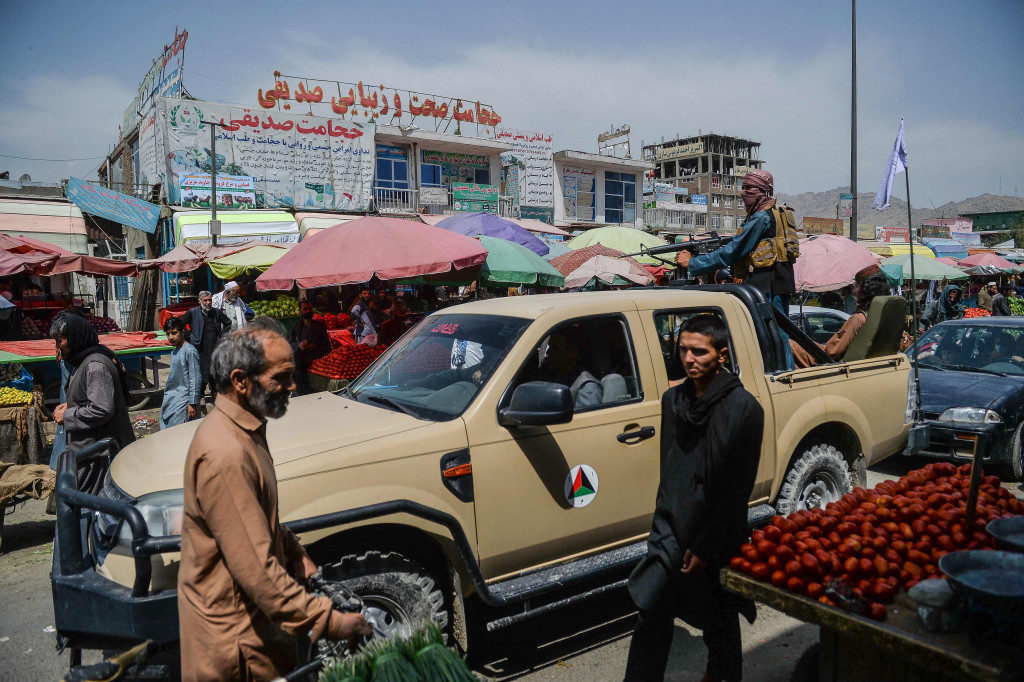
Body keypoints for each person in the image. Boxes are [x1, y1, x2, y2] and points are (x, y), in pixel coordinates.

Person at [178, 319, 372, 681]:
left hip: (254, 631)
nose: (293, 386)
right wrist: (330, 621)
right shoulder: (226, 454)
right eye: (281, 377)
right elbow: (257, 571)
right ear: (240, 381)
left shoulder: (246, 429)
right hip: (238, 646)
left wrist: (298, 555)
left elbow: (257, 519)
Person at [624, 315, 763, 682]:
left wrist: (706, 544)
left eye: (699, 351)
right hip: (671, 527)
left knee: (719, 616)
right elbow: (670, 470)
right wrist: (664, 527)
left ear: (721, 354)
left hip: (716, 529)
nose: (689, 359)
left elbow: (737, 488)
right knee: (651, 613)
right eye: (683, 350)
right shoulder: (673, 401)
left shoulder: (744, 409)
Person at [680, 170, 797, 367]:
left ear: (763, 191)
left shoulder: (761, 218)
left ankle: (781, 375)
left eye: (749, 188)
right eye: (743, 188)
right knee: (776, 335)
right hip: (777, 282)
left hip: (768, 285)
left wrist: (693, 263)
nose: (743, 193)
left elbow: (731, 252)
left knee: (772, 335)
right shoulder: (775, 214)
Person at [50, 314, 135, 494]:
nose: (57, 346)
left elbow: (101, 409)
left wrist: (67, 415)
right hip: (92, 450)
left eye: (60, 341)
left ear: (75, 337)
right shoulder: (82, 360)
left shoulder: (95, 366)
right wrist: (71, 405)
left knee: (92, 502)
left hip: (100, 454)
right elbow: (91, 398)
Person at [791, 266, 890, 368]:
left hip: (830, 364)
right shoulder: (884, 318)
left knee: (790, 344)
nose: (855, 291)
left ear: (865, 290)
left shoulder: (859, 319)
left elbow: (831, 351)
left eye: (857, 286)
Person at [523, 326, 603, 408]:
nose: (548, 352)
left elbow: (586, 416)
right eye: (550, 347)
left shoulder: (587, 388)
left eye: (555, 348)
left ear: (573, 352)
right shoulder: (550, 374)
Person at [182, 291, 232, 400]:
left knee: (214, 372)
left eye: (210, 300)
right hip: (199, 348)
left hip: (214, 347)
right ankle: (201, 397)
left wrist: (222, 335)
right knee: (200, 372)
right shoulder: (193, 312)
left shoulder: (216, 312)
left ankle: (215, 395)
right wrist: (189, 337)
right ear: (199, 301)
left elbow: (228, 323)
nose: (208, 303)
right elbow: (180, 323)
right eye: (205, 300)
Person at [160, 316, 202, 429]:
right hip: (172, 398)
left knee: (182, 432)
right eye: (168, 334)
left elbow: (195, 378)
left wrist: (192, 403)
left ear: (182, 332)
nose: (171, 337)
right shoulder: (175, 352)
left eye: (174, 333)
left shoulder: (189, 351)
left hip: (185, 401)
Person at [289, 299, 331, 395]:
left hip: (315, 356)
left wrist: (313, 346)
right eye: (305, 309)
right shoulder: (296, 327)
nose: (308, 311)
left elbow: (326, 346)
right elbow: (290, 344)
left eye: (309, 309)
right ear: (300, 311)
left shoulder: (319, 326)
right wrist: (299, 345)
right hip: (300, 358)